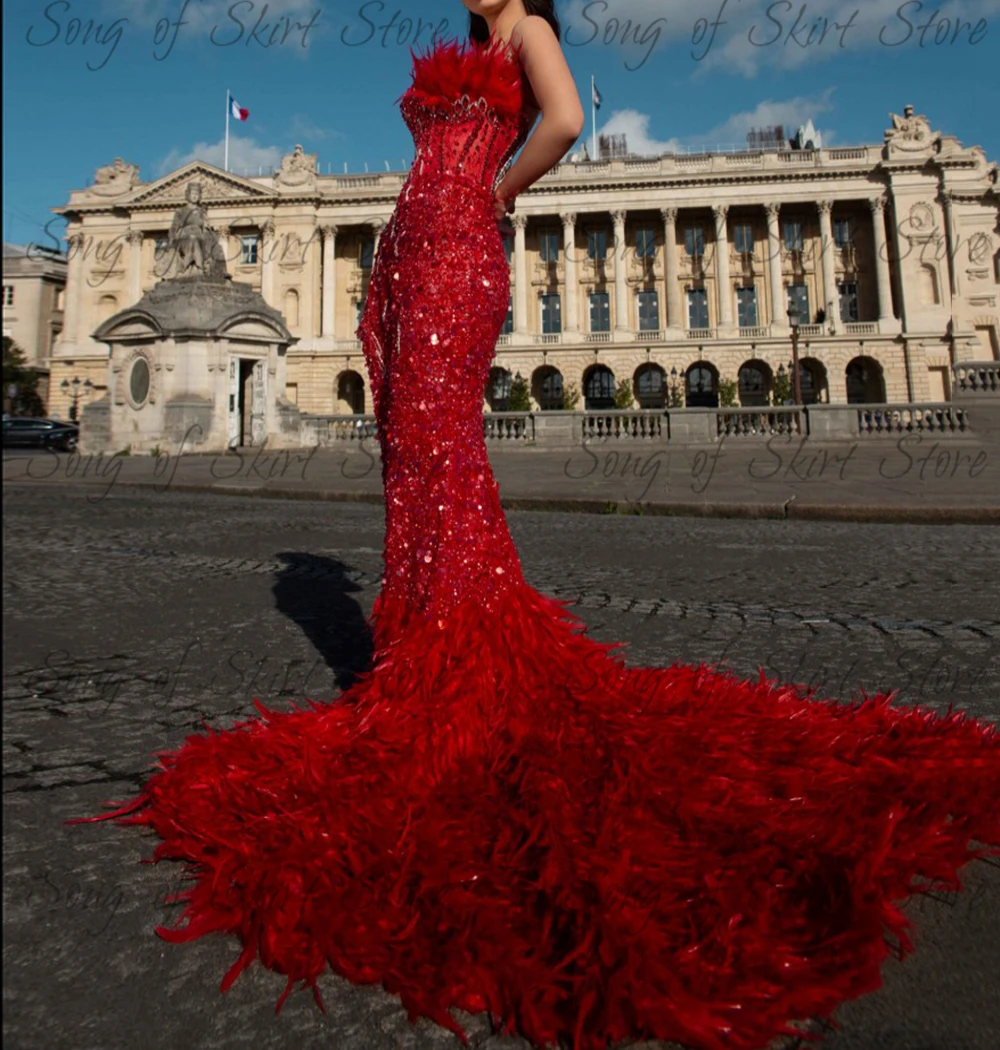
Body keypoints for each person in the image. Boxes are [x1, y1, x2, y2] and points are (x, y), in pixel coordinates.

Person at [70, 4, 1000, 1050]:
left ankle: (462, 660)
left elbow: (558, 119)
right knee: (415, 470)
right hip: (413, 251)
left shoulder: (525, 39)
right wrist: (402, 254)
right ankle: (429, 654)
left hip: (459, 243)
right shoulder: (462, 58)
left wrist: (493, 194)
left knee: (444, 460)